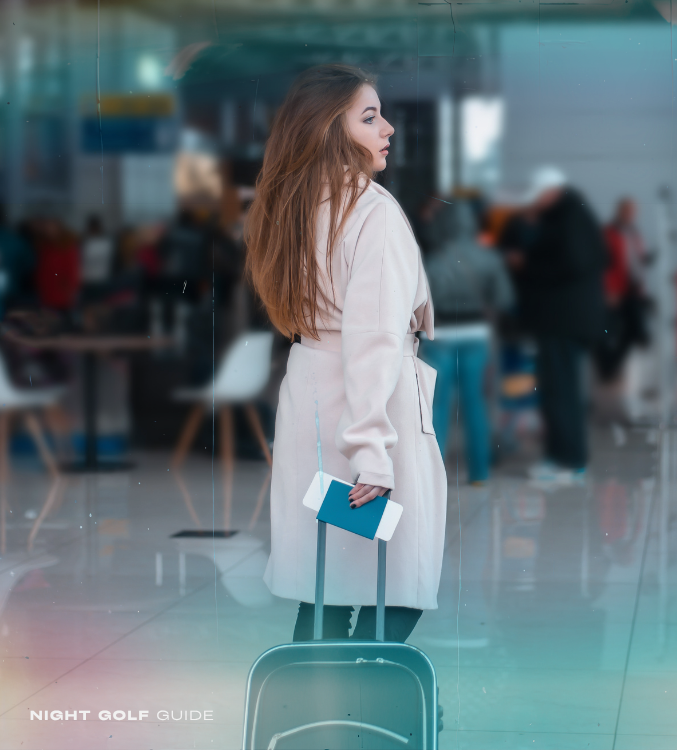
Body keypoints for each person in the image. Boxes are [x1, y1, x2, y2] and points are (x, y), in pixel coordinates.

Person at [244, 64, 446, 643]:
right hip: (372, 409)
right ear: (330, 129)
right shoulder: (371, 212)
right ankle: (366, 708)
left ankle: (313, 715)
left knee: (325, 582)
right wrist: (373, 453)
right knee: (400, 577)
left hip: (311, 392)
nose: (387, 128)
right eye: (369, 117)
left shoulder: (287, 209)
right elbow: (376, 337)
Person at [501, 166, 608, 484]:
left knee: (560, 392)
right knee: (563, 391)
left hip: (561, 321)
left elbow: (569, 263)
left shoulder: (568, 217)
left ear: (552, 192)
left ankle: (568, 461)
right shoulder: (577, 215)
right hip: (570, 320)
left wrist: (528, 264)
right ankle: (568, 460)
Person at [420, 199, 513, 485]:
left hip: (439, 338)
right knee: (476, 404)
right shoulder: (489, 258)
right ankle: (479, 473)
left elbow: (419, 303)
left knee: (437, 407)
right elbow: (505, 300)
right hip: (476, 336)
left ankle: (434, 476)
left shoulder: (433, 261)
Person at [595, 197, 650, 382]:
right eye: (627, 210)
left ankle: (610, 367)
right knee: (607, 332)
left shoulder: (634, 233)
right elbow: (603, 264)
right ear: (619, 210)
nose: (631, 214)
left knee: (635, 332)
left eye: (633, 210)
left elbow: (636, 260)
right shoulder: (608, 233)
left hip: (633, 289)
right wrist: (609, 289)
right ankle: (606, 367)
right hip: (615, 291)